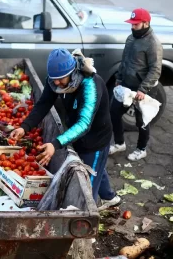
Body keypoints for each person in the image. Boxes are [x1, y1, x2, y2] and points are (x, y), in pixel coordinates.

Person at [10, 48, 120, 209]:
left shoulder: (90, 86)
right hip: (76, 135)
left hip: (95, 139)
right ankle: (109, 197)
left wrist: (55, 144)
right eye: (54, 79)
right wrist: (24, 127)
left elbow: (84, 124)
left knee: (86, 189)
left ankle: (87, 223)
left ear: (73, 72)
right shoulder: (55, 80)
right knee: (95, 168)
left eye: (60, 79)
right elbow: (43, 104)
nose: (56, 83)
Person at [109, 8, 163, 161]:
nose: (132, 27)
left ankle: (141, 149)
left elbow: (155, 70)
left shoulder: (153, 43)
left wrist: (143, 89)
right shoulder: (130, 38)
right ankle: (119, 143)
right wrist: (119, 79)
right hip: (126, 85)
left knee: (142, 121)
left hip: (143, 89)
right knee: (114, 112)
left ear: (146, 23)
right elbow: (124, 61)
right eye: (131, 24)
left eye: (136, 24)